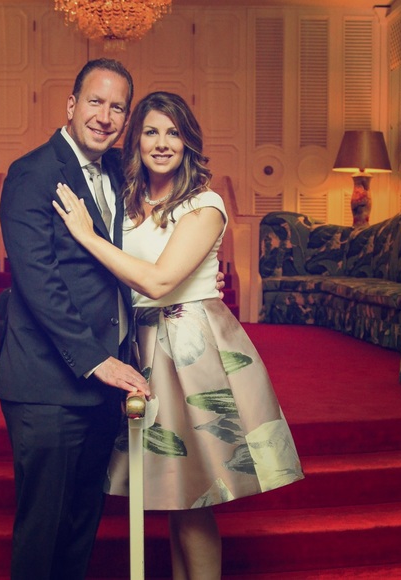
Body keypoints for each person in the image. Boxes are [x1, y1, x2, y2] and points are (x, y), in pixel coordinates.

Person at [54, 91, 305, 580]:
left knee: (195, 495)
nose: (162, 143)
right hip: (143, 343)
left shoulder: (204, 204)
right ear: (136, 141)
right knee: (176, 494)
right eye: (151, 131)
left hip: (190, 347)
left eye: (173, 132)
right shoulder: (127, 202)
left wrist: (88, 236)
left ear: (188, 141)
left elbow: (159, 281)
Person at [0, 59, 152, 580]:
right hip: (48, 386)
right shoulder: (32, 173)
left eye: (117, 107)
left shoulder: (120, 171)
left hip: (104, 384)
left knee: (82, 526)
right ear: (71, 105)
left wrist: (196, 274)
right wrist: (96, 361)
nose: (105, 117)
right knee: (44, 534)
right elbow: (38, 282)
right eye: (95, 102)